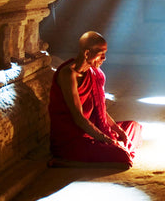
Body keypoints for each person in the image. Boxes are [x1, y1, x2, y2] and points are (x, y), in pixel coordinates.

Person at [48, 31, 142, 167]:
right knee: (121, 156)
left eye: (105, 53)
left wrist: (119, 132)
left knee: (134, 127)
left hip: (95, 129)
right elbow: (78, 118)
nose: (104, 58)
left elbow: (101, 110)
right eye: (101, 53)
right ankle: (67, 161)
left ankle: (116, 147)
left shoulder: (95, 73)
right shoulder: (68, 75)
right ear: (86, 53)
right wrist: (107, 140)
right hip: (74, 139)